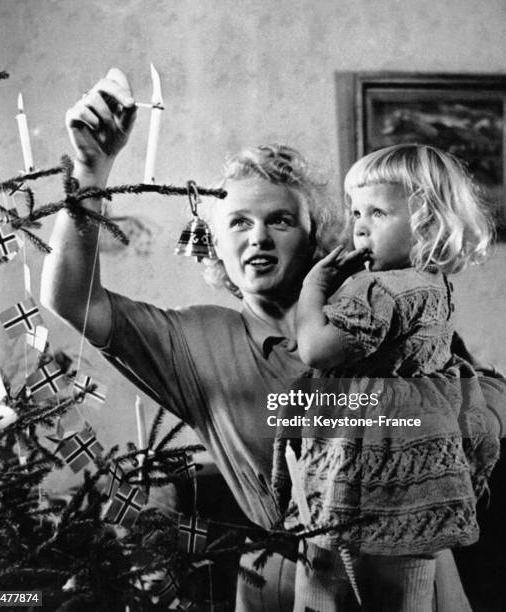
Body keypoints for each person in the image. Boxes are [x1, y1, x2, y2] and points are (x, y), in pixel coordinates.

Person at [41, 69, 502, 611]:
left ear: (316, 235)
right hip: (292, 578)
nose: (258, 236)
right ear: (213, 242)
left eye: (280, 219)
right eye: (237, 223)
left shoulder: (375, 305)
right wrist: (92, 169)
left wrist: (453, 415)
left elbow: (477, 388)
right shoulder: (195, 340)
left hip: (417, 566)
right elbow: (74, 300)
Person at [272, 144, 499, 612]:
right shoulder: (431, 284)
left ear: (429, 224)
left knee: (328, 577)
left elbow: (315, 348)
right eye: (356, 211)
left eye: (377, 212)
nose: (358, 225)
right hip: (407, 462)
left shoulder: (385, 289)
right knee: (406, 582)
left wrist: (312, 289)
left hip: (366, 455)